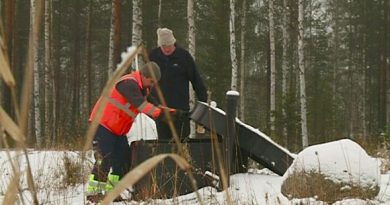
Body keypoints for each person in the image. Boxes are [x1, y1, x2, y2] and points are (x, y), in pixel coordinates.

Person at [86, 62, 184, 202]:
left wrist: (173, 112)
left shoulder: (143, 89)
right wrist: (161, 115)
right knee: (104, 159)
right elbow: (142, 105)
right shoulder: (128, 84)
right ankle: (94, 194)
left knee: (123, 161)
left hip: (117, 130)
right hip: (102, 125)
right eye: (151, 81)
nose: (152, 85)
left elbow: (155, 105)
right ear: (144, 76)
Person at [149, 28, 208, 140]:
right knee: (163, 146)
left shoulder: (184, 57)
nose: (166, 49)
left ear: (174, 43)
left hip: (180, 112)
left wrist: (202, 104)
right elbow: (145, 80)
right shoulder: (153, 56)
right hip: (159, 112)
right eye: (163, 46)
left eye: (169, 46)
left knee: (181, 144)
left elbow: (197, 81)